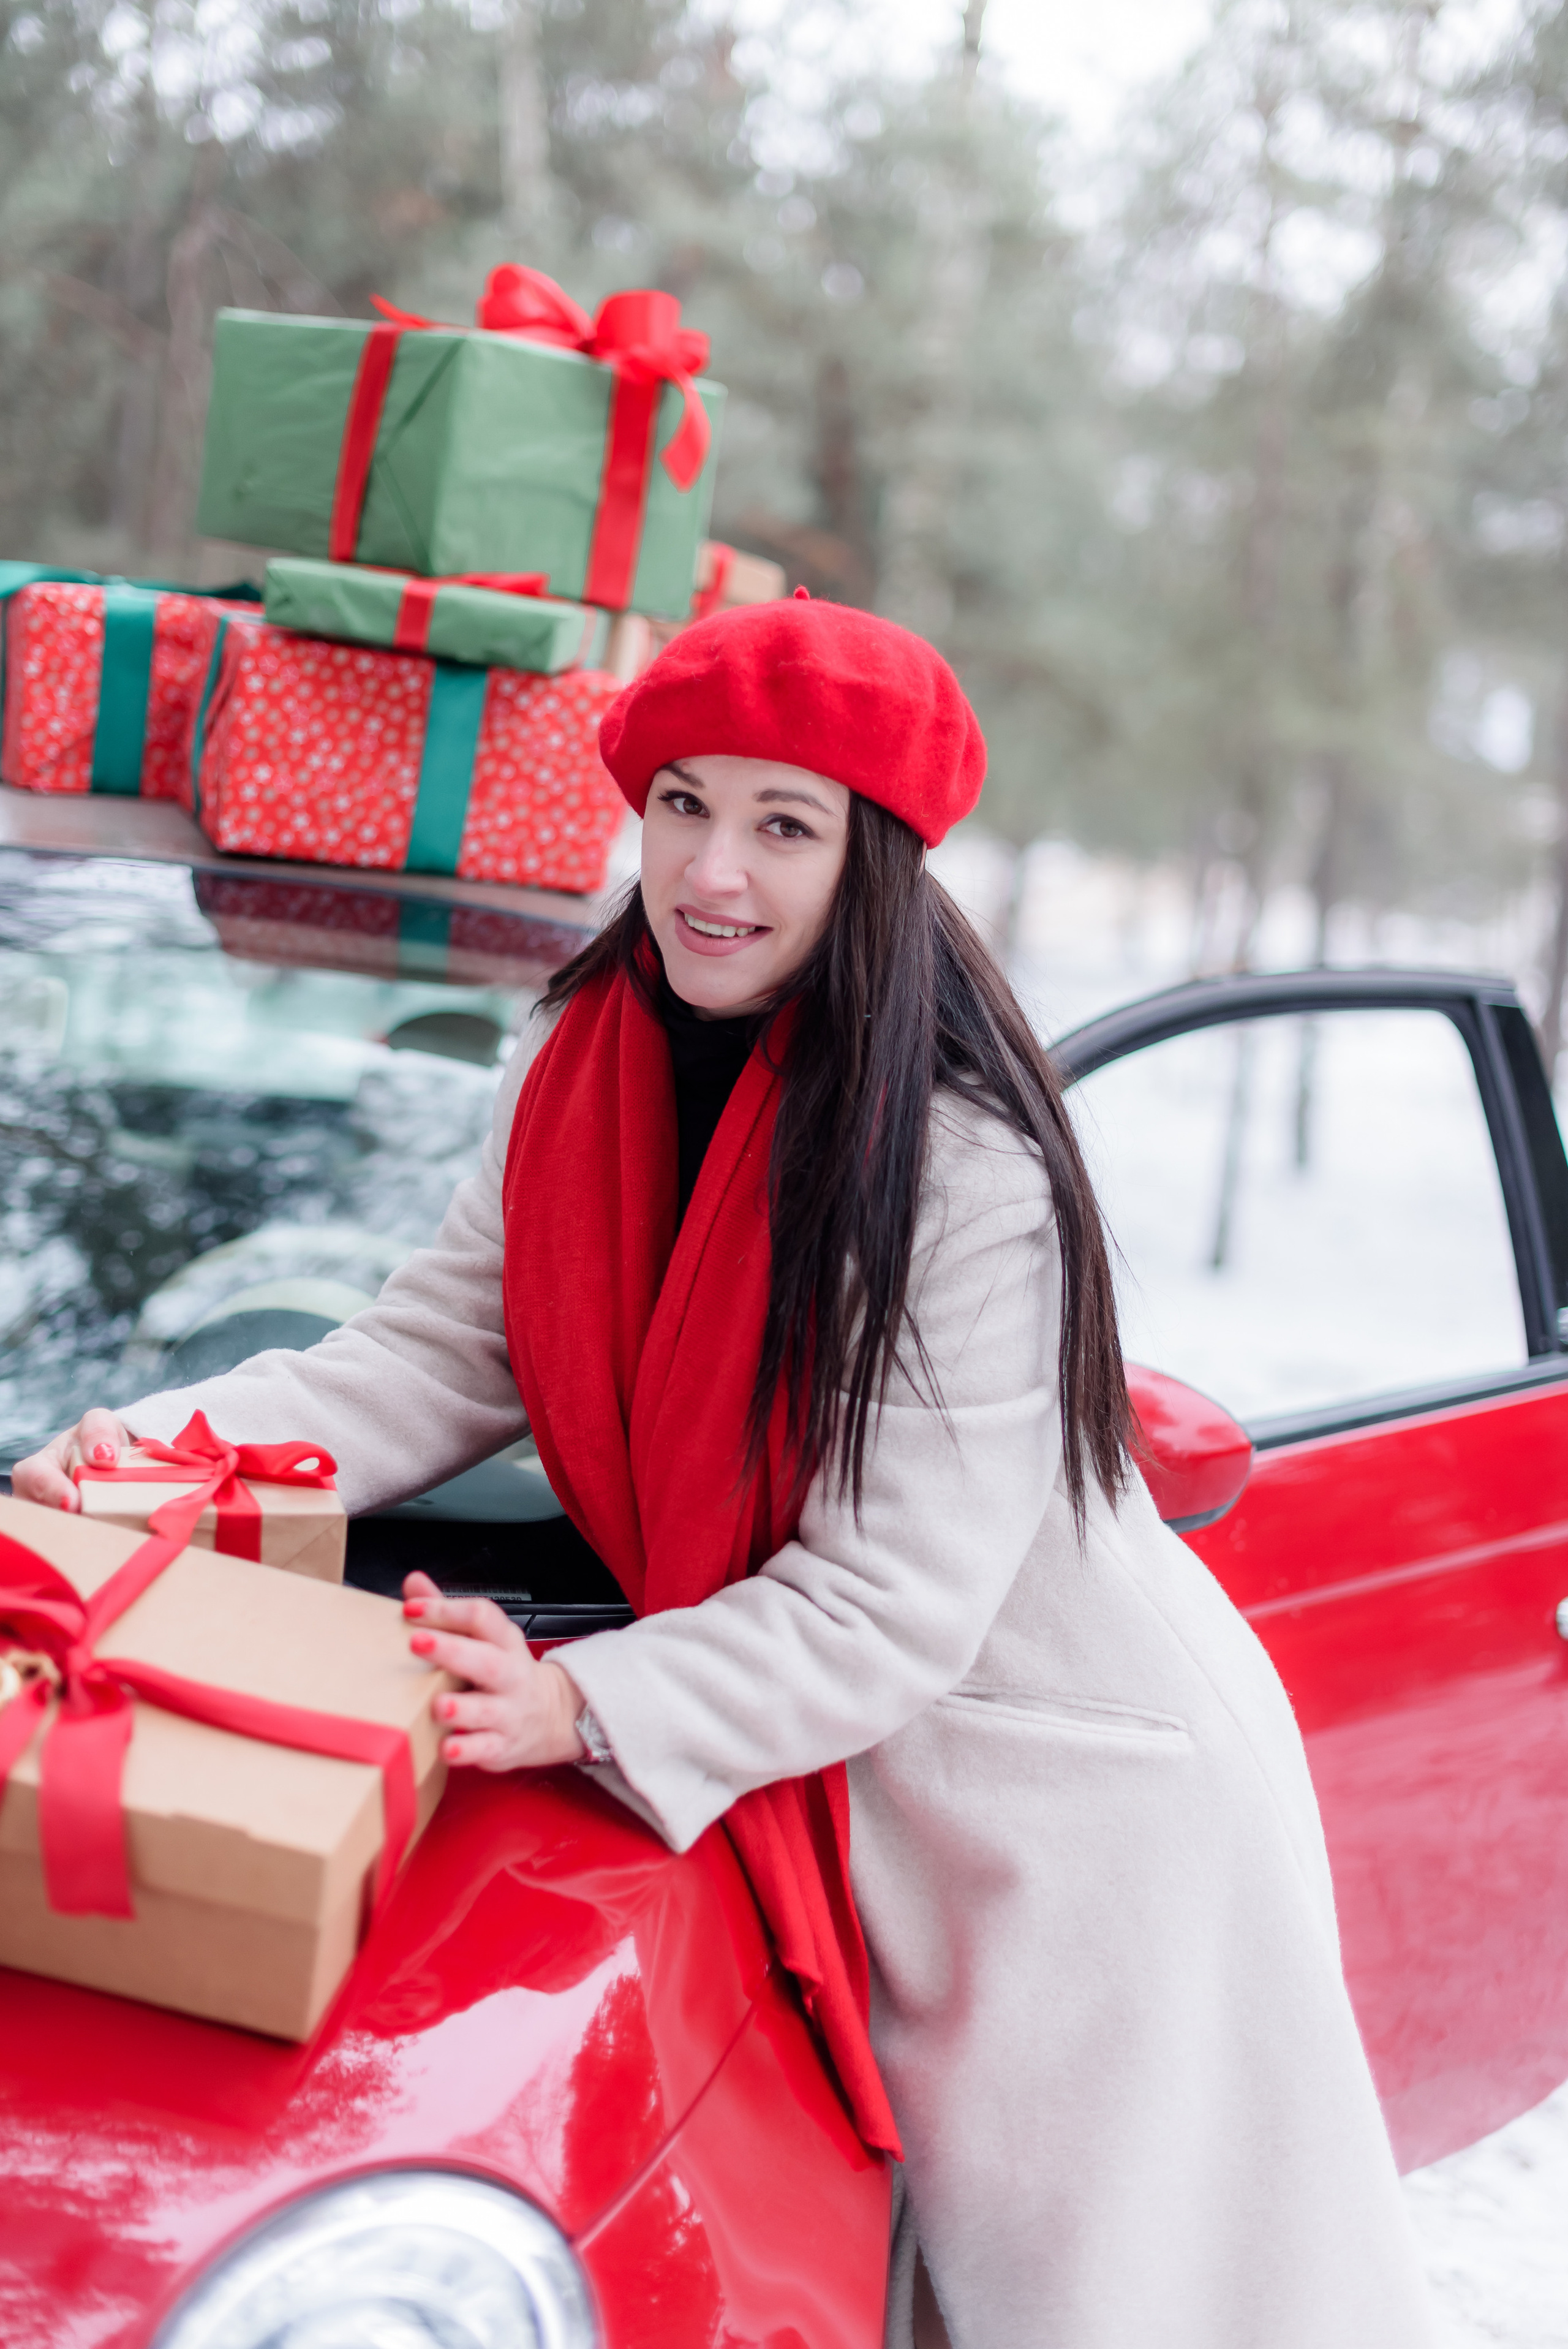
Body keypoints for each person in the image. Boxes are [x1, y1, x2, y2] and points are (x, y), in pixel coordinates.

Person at [17, 596, 1436, 2349]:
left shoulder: (960, 1166)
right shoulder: (591, 1059)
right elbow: (448, 1344)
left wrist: (575, 1698)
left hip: (1068, 1811)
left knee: (1118, 2311)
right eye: (682, 802)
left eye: (785, 824)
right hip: (836, 1769)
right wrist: (181, 1447)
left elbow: (885, 1598)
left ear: (876, 857)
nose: (712, 871)